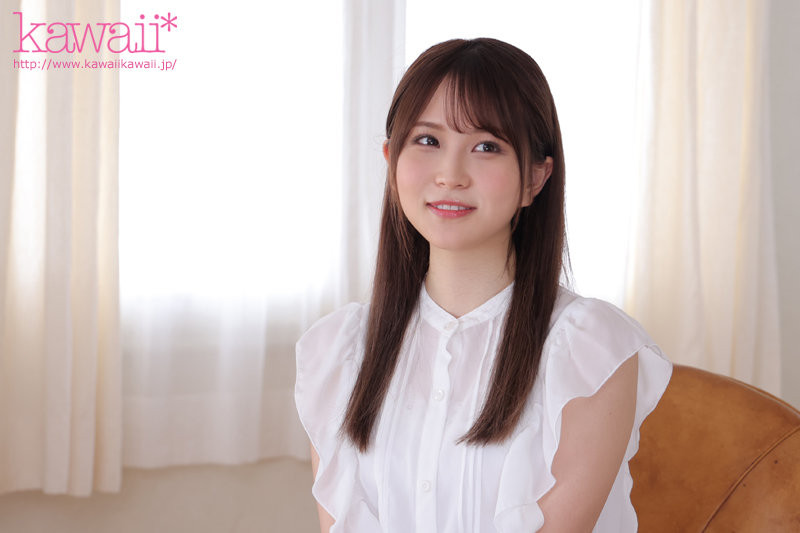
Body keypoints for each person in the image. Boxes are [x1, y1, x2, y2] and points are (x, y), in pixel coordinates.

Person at [295, 37, 672, 533]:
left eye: (486, 147)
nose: (450, 175)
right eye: (427, 141)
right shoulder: (340, 353)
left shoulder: (589, 352)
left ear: (535, 178)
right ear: (391, 159)